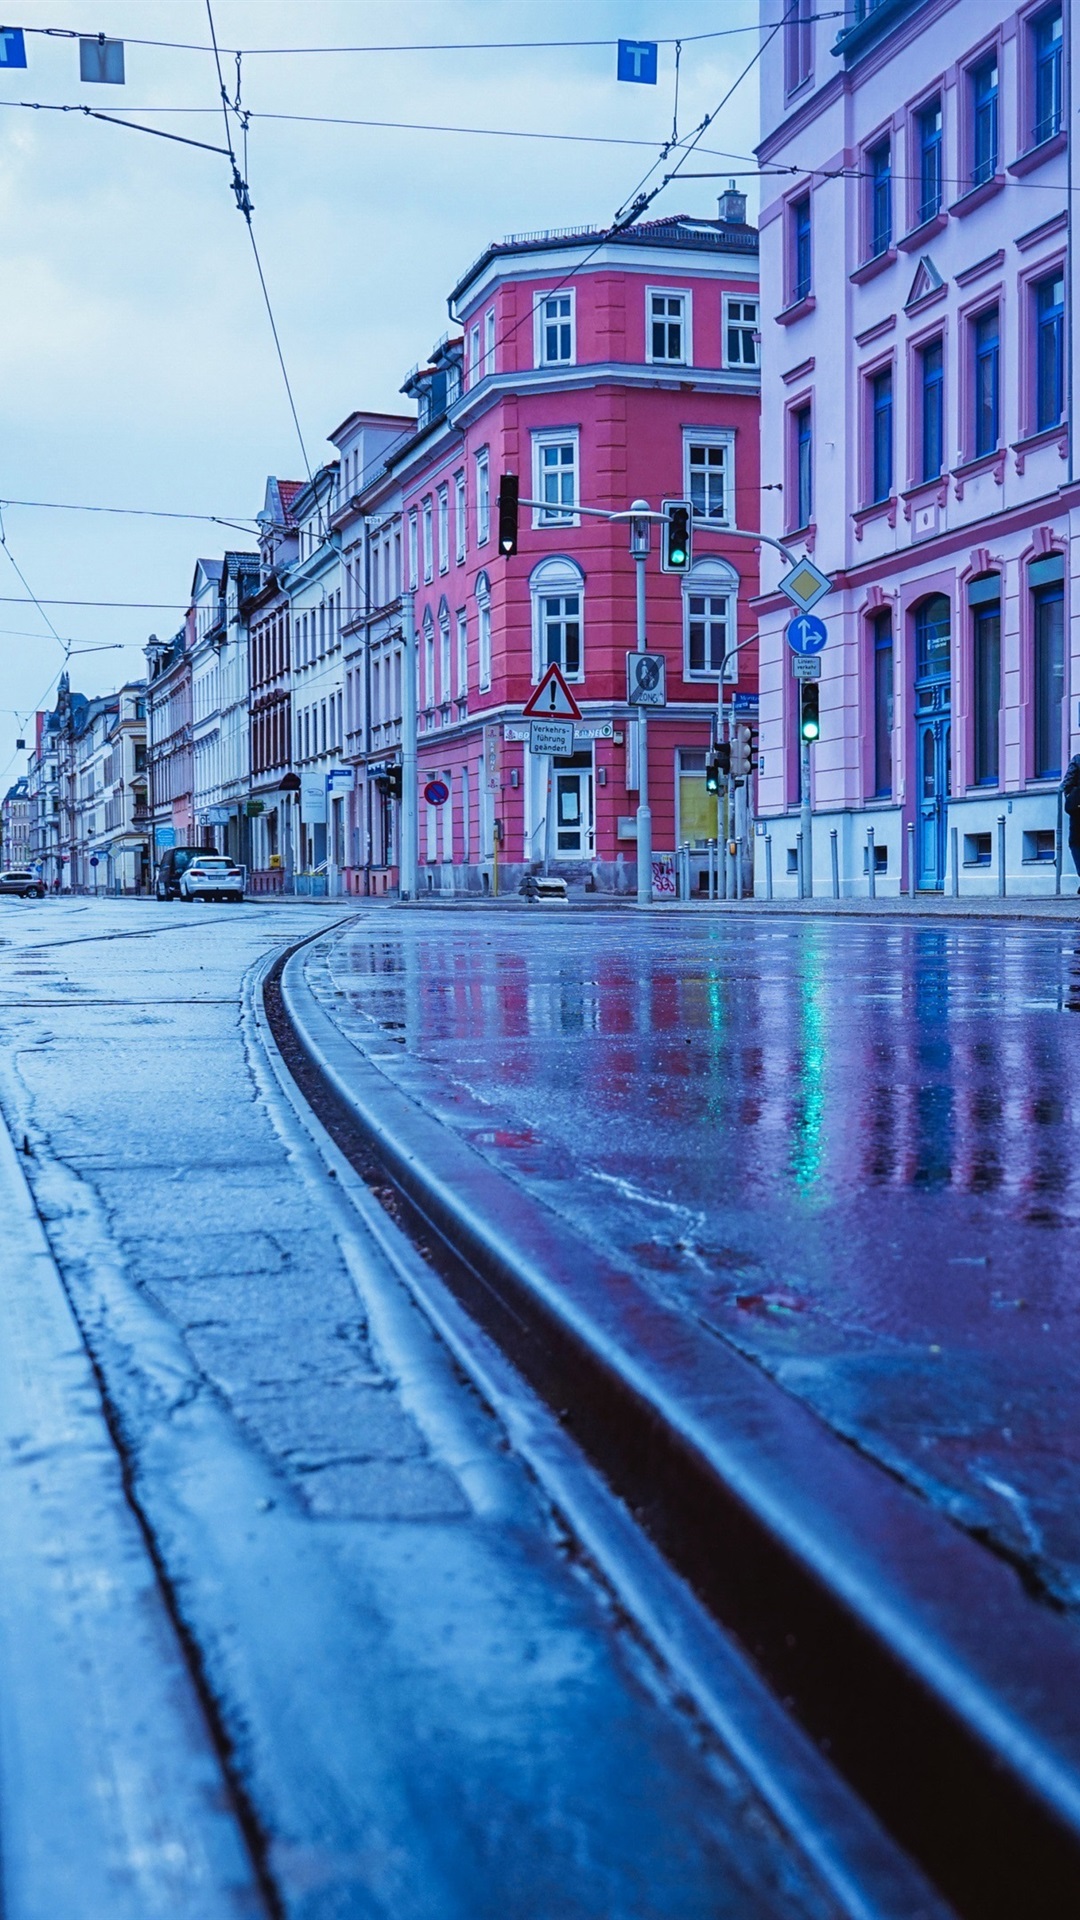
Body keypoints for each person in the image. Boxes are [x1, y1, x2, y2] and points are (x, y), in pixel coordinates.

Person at [1063, 752, 1080, 890]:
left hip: (1078, 810)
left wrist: (1071, 796)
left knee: (1075, 842)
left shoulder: (1078, 759)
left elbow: (1067, 784)